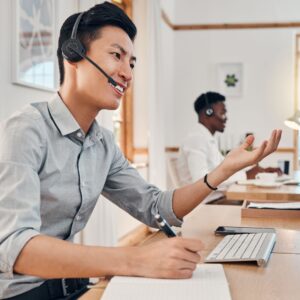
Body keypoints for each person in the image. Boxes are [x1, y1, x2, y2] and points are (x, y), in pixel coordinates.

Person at [0, 3, 281, 299]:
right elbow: (14, 246)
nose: (127, 73)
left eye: (132, 63)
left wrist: (224, 170)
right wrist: (135, 260)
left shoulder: (102, 143)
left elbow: (157, 207)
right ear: (73, 54)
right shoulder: (26, 130)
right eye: (116, 55)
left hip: (75, 288)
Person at [177, 92, 282, 202]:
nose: (226, 118)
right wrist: (246, 175)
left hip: (215, 199)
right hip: (204, 204)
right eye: (223, 113)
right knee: (258, 204)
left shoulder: (207, 139)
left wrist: (260, 171)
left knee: (259, 203)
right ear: (208, 112)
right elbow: (201, 181)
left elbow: (226, 168)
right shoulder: (196, 139)